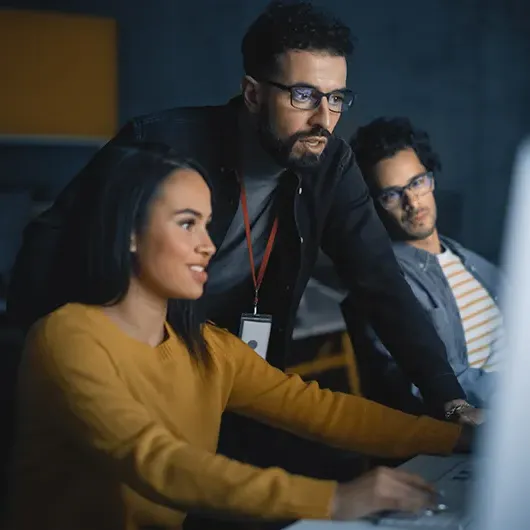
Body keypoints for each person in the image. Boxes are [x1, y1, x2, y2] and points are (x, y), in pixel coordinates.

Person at [6, 0, 479, 520]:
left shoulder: (216, 348)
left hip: (205, 344)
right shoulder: (161, 151)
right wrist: (42, 349)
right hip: (123, 341)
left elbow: (378, 295)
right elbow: (157, 460)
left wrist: (455, 423)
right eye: (304, 96)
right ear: (253, 93)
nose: (325, 118)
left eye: (337, 98)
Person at [345, 116, 501, 413]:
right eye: (391, 195)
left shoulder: (472, 262)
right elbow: (421, 379)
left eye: (417, 183)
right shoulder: (383, 286)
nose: (413, 203)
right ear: (376, 205)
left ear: (431, 179)